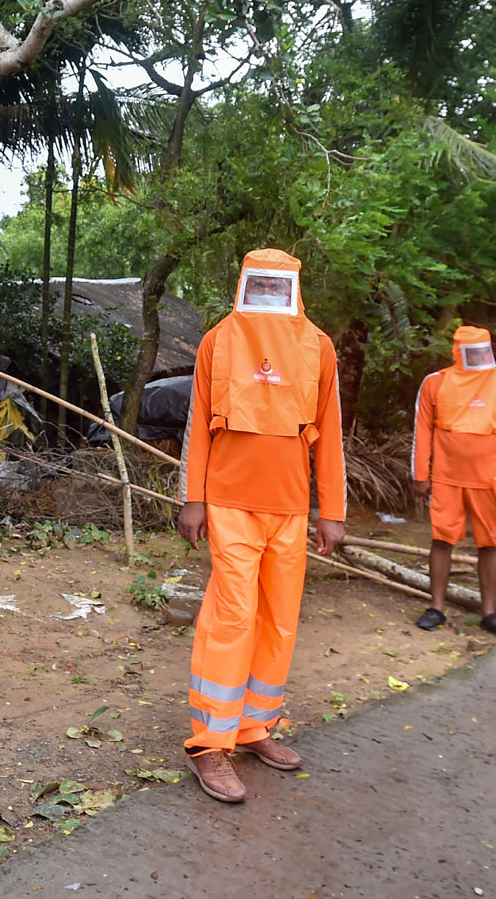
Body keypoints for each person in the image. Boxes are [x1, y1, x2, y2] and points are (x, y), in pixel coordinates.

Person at [176, 248, 346, 804]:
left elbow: (332, 434)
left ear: (294, 288)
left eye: (281, 287)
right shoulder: (217, 341)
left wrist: (334, 510)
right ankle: (209, 743)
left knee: (280, 618)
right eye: (261, 285)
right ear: (245, 282)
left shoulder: (318, 346)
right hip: (228, 502)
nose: (270, 296)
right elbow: (198, 426)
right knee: (232, 614)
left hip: (292, 506)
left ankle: (252, 729)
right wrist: (193, 500)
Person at [410, 325, 496, 639]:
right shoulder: (435, 383)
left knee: (490, 543)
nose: (479, 357)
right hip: (447, 478)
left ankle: (489, 613)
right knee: (442, 540)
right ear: (458, 352)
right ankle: (436, 607)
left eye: (484, 350)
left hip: (491, 481)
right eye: (472, 351)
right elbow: (422, 431)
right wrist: (420, 475)